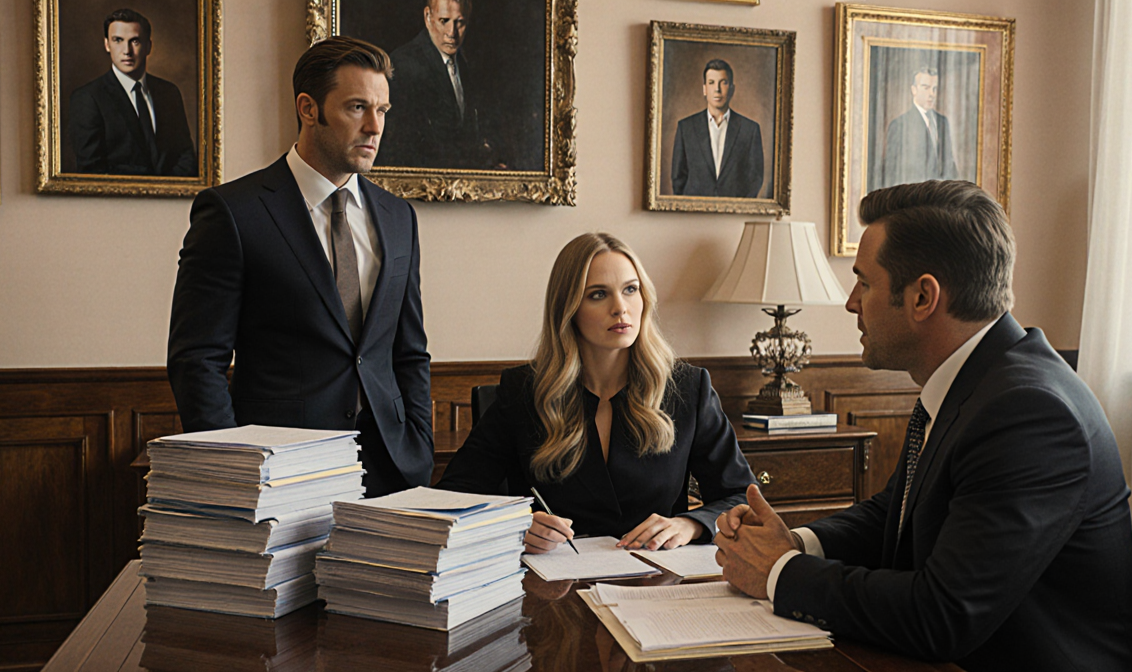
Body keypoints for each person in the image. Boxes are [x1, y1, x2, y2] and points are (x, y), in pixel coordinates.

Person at [713, 180, 1132, 671]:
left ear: (923, 297)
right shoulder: (981, 381)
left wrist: (779, 571)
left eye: (864, 282)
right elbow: (896, 513)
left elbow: (942, 616)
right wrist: (796, 542)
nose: (851, 302)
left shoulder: (1029, 412)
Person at [167, 36, 433, 496]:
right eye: (357, 108)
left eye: (383, 110)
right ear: (308, 108)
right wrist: (234, 471)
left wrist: (418, 444)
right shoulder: (234, 212)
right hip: (278, 470)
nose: (374, 127)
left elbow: (408, 351)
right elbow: (197, 360)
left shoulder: (398, 217)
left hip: (391, 468)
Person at [437, 233, 756, 553]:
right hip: (553, 584)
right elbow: (453, 497)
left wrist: (690, 524)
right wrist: (515, 525)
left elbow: (743, 497)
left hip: (655, 579)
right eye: (598, 294)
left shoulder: (687, 388)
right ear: (568, 307)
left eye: (630, 289)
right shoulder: (523, 392)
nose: (620, 308)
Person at [69, 8, 197, 176]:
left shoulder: (169, 92)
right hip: (117, 201)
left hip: (171, 199)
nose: (127, 51)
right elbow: (91, 170)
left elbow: (185, 156)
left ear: (148, 46)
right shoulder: (88, 98)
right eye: (118, 40)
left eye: (135, 41)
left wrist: (168, 194)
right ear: (107, 44)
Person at [377, 0, 489, 169]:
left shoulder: (464, 64)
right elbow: (404, 148)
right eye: (444, 21)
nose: (452, 33)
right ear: (428, 17)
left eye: (460, 23)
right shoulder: (403, 65)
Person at [671, 59, 765, 198]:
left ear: (732, 89)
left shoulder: (750, 130)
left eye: (723, 83)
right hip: (694, 216)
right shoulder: (686, 128)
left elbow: (755, 178)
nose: (717, 89)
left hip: (734, 215)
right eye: (711, 83)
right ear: (704, 89)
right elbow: (678, 178)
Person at [876, 67, 959, 190]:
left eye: (934, 89)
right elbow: (891, 171)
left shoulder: (943, 122)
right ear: (914, 90)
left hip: (940, 197)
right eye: (926, 88)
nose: (931, 94)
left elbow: (949, 162)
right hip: (913, 197)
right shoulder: (900, 125)